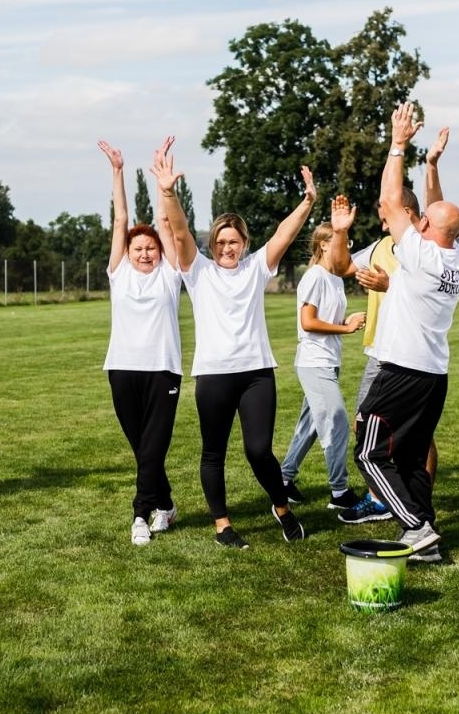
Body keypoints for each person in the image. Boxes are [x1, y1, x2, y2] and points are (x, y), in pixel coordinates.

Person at [162, 150, 314, 549]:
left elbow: (284, 234)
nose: (227, 247)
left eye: (234, 241)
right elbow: (178, 233)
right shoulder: (198, 271)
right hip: (213, 375)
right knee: (213, 452)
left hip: (256, 374)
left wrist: (308, 201)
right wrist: (167, 193)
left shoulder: (256, 269)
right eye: (221, 241)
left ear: (245, 244)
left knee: (259, 450)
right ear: (211, 244)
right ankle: (223, 525)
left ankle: (281, 508)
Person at [349, 104, 459, 556]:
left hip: (401, 370)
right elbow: (437, 213)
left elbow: (389, 201)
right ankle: (429, 543)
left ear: (425, 229)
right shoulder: (458, 257)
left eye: (420, 221)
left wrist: (398, 144)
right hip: (433, 374)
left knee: (369, 451)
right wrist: (433, 166)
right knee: (413, 456)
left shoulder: (419, 255)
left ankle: (414, 526)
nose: (415, 220)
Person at [324, 127, 449, 526]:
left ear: (411, 216)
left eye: (385, 216)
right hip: (381, 350)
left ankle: (411, 506)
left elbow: (434, 212)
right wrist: (340, 232)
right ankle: (387, 500)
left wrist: (388, 284)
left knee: (410, 437)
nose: (381, 221)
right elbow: (343, 267)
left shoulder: (426, 251)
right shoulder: (381, 247)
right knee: (377, 429)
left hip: (410, 359)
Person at [102, 137, 188, 546]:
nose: (145, 253)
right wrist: (118, 172)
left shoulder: (170, 276)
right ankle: (166, 504)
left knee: (152, 447)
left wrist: (161, 180)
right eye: (139, 248)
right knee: (143, 448)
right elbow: (121, 220)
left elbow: (165, 223)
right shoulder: (118, 273)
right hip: (121, 369)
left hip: (163, 369)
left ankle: (141, 514)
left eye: (150, 248)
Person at [279, 205, 367, 513]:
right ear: (324, 245)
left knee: (310, 425)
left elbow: (326, 317)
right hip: (314, 362)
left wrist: (347, 318)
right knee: (337, 421)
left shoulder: (336, 279)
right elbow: (308, 321)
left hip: (328, 361)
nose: (346, 247)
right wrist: (345, 327)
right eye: (341, 241)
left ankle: (284, 480)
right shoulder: (315, 276)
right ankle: (339, 492)